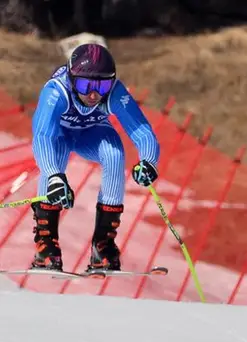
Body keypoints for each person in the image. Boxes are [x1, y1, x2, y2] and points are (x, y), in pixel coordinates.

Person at [30, 42, 161, 272]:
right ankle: (46, 244)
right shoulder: (56, 91)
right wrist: (52, 176)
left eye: (102, 86)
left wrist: (148, 160)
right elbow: (42, 136)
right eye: (85, 85)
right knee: (56, 158)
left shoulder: (114, 92)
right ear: (72, 79)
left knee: (114, 153)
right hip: (58, 135)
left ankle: (103, 245)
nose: (93, 94)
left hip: (90, 134)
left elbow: (141, 130)